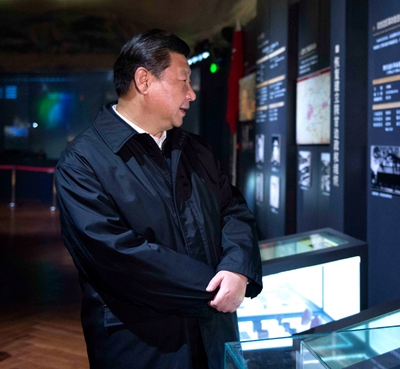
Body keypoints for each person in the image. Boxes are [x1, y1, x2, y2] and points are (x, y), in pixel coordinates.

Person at [55, 29, 263, 369]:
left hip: (215, 338)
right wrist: (214, 289)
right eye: (183, 80)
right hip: (142, 345)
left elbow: (234, 210)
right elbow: (115, 256)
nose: (192, 93)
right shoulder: (82, 162)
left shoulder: (197, 149)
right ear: (144, 80)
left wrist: (237, 269)